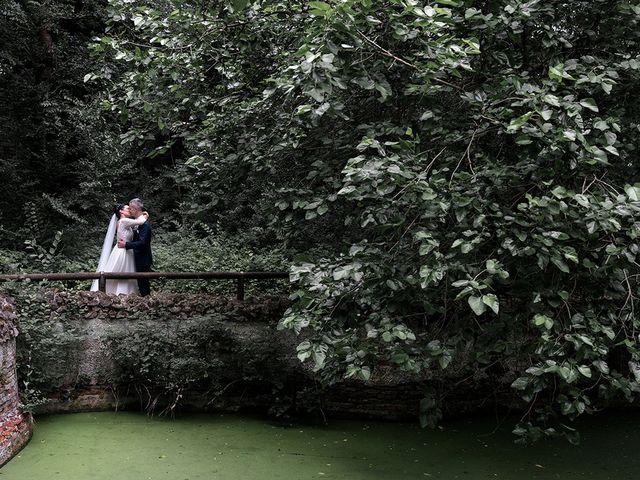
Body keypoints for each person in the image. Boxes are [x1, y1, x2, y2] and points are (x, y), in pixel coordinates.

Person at [90, 204, 148, 295]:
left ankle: (123, 293)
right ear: (121, 211)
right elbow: (140, 221)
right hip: (122, 251)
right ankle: (119, 293)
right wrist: (145, 215)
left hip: (126, 249)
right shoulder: (124, 221)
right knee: (120, 273)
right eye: (127, 208)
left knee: (124, 273)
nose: (129, 210)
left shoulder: (125, 222)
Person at [117, 198, 153, 296]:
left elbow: (142, 242)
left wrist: (127, 244)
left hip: (143, 258)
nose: (129, 210)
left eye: (130, 208)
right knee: (140, 282)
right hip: (136, 256)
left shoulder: (145, 225)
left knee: (143, 283)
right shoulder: (137, 222)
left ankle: (147, 302)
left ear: (135, 209)